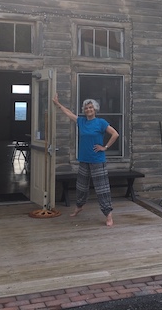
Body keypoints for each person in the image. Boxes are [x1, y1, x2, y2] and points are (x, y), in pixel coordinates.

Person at [53, 93, 119, 226]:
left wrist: (105, 147)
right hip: (84, 159)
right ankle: (79, 206)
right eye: (86, 108)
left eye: (91, 108)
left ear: (95, 109)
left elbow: (115, 134)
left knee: (102, 189)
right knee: (81, 187)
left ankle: (108, 215)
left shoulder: (101, 123)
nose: (88, 110)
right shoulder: (81, 121)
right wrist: (58, 104)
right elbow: (69, 113)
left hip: (97, 160)